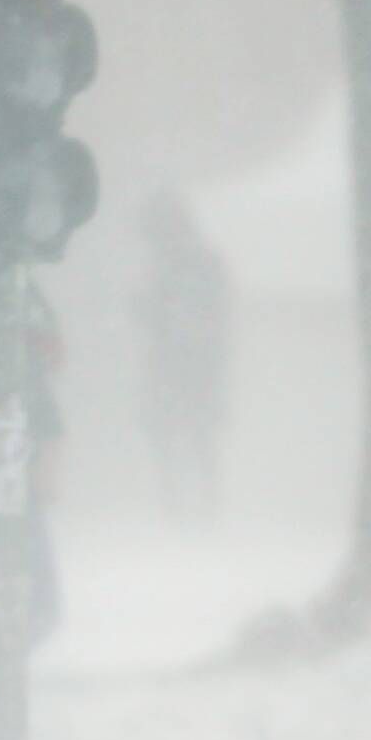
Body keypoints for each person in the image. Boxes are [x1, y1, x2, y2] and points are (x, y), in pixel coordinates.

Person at [132, 191, 235, 524]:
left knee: (184, 437)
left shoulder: (185, 262)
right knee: (193, 438)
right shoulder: (197, 260)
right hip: (192, 363)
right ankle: (192, 508)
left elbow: (179, 316)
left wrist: (146, 310)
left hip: (183, 363)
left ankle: (187, 509)